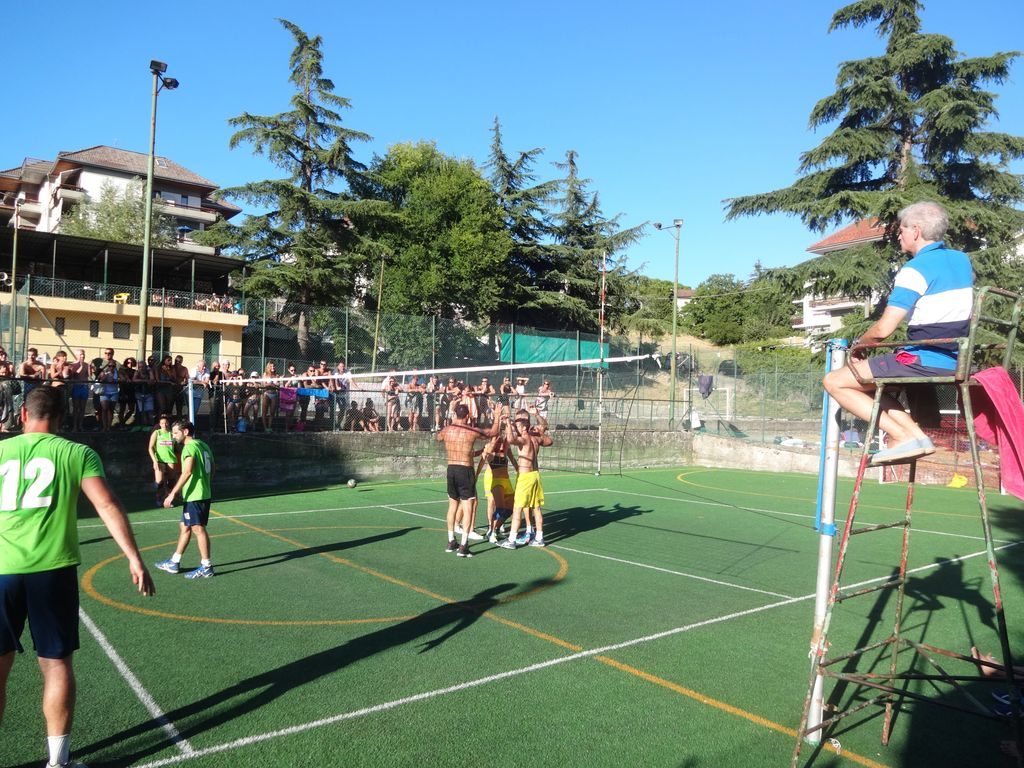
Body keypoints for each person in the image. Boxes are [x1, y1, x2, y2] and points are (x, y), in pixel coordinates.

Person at [0, 387, 154, 768]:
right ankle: (58, 762)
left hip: (1, 572)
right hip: (52, 573)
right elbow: (105, 503)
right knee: (55, 664)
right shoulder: (76, 453)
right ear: (64, 418)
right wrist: (134, 557)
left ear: (22, 415)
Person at [823, 201, 973, 465]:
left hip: (923, 359)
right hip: (955, 359)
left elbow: (883, 329)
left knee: (834, 382)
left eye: (901, 229)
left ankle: (901, 435)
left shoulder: (914, 269)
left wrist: (859, 347)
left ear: (915, 230)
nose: (898, 235)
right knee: (871, 387)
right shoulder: (962, 261)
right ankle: (915, 436)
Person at [436, 402, 503, 557]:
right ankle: (463, 545)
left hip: (451, 469)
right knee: (468, 508)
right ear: (467, 416)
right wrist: (498, 415)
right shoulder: (471, 430)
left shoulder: (447, 430)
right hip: (465, 470)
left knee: (452, 507)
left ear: (455, 414)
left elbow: (439, 437)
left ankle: (451, 541)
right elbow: (494, 432)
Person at [155, 420, 216, 579]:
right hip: (200, 493)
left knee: (198, 529)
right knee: (184, 526)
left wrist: (172, 493)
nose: (173, 436)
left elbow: (187, 471)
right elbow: (213, 468)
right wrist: (205, 484)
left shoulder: (189, 448)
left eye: (175, 433)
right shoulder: (203, 445)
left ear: (186, 432)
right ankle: (175, 562)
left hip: (196, 496)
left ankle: (206, 566)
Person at [499, 406, 554, 549]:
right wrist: (537, 414)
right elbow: (545, 429)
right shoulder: (535, 436)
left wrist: (507, 424)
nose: (515, 424)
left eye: (517, 422)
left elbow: (510, 439)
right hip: (535, 475)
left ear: (523, 425)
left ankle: (511, 540)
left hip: (526, 477)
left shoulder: (525, 438)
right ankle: (539, 538)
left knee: (517, 508)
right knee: (536, 508)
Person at [148, 414, 179, 508]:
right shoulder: (157, 433)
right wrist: (154, 461)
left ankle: (167, 499)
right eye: (162, 423)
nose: (164, 425)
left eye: (166, 423)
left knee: (171, 481)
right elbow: (150, 448)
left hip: (171, 460)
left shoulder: (172, 434)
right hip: (159, 460)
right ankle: (158, 498)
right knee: (159, 482)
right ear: (159, 424)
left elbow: (177, 447)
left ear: (168, 424)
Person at [67, 350, 90, 433]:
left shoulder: (87, 365)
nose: (82, 356)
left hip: (84, 387)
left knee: (82, 408)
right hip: (76, 387)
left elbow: (89, 376)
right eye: (80, 355)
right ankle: (75, 426)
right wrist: (80, 366)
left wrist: (92, 369)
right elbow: (74, 375)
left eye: (83, 354)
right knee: (76, 408)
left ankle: (80, 426)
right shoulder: (72, 365)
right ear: (76, 355)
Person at [0, 347, 17, 432]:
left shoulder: (8, 365)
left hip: (6, 390)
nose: (2, 355)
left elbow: (13, 377)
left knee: (7, 406)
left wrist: (10, 370)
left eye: (3, 353)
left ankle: (5, 426)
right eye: (0, 353)